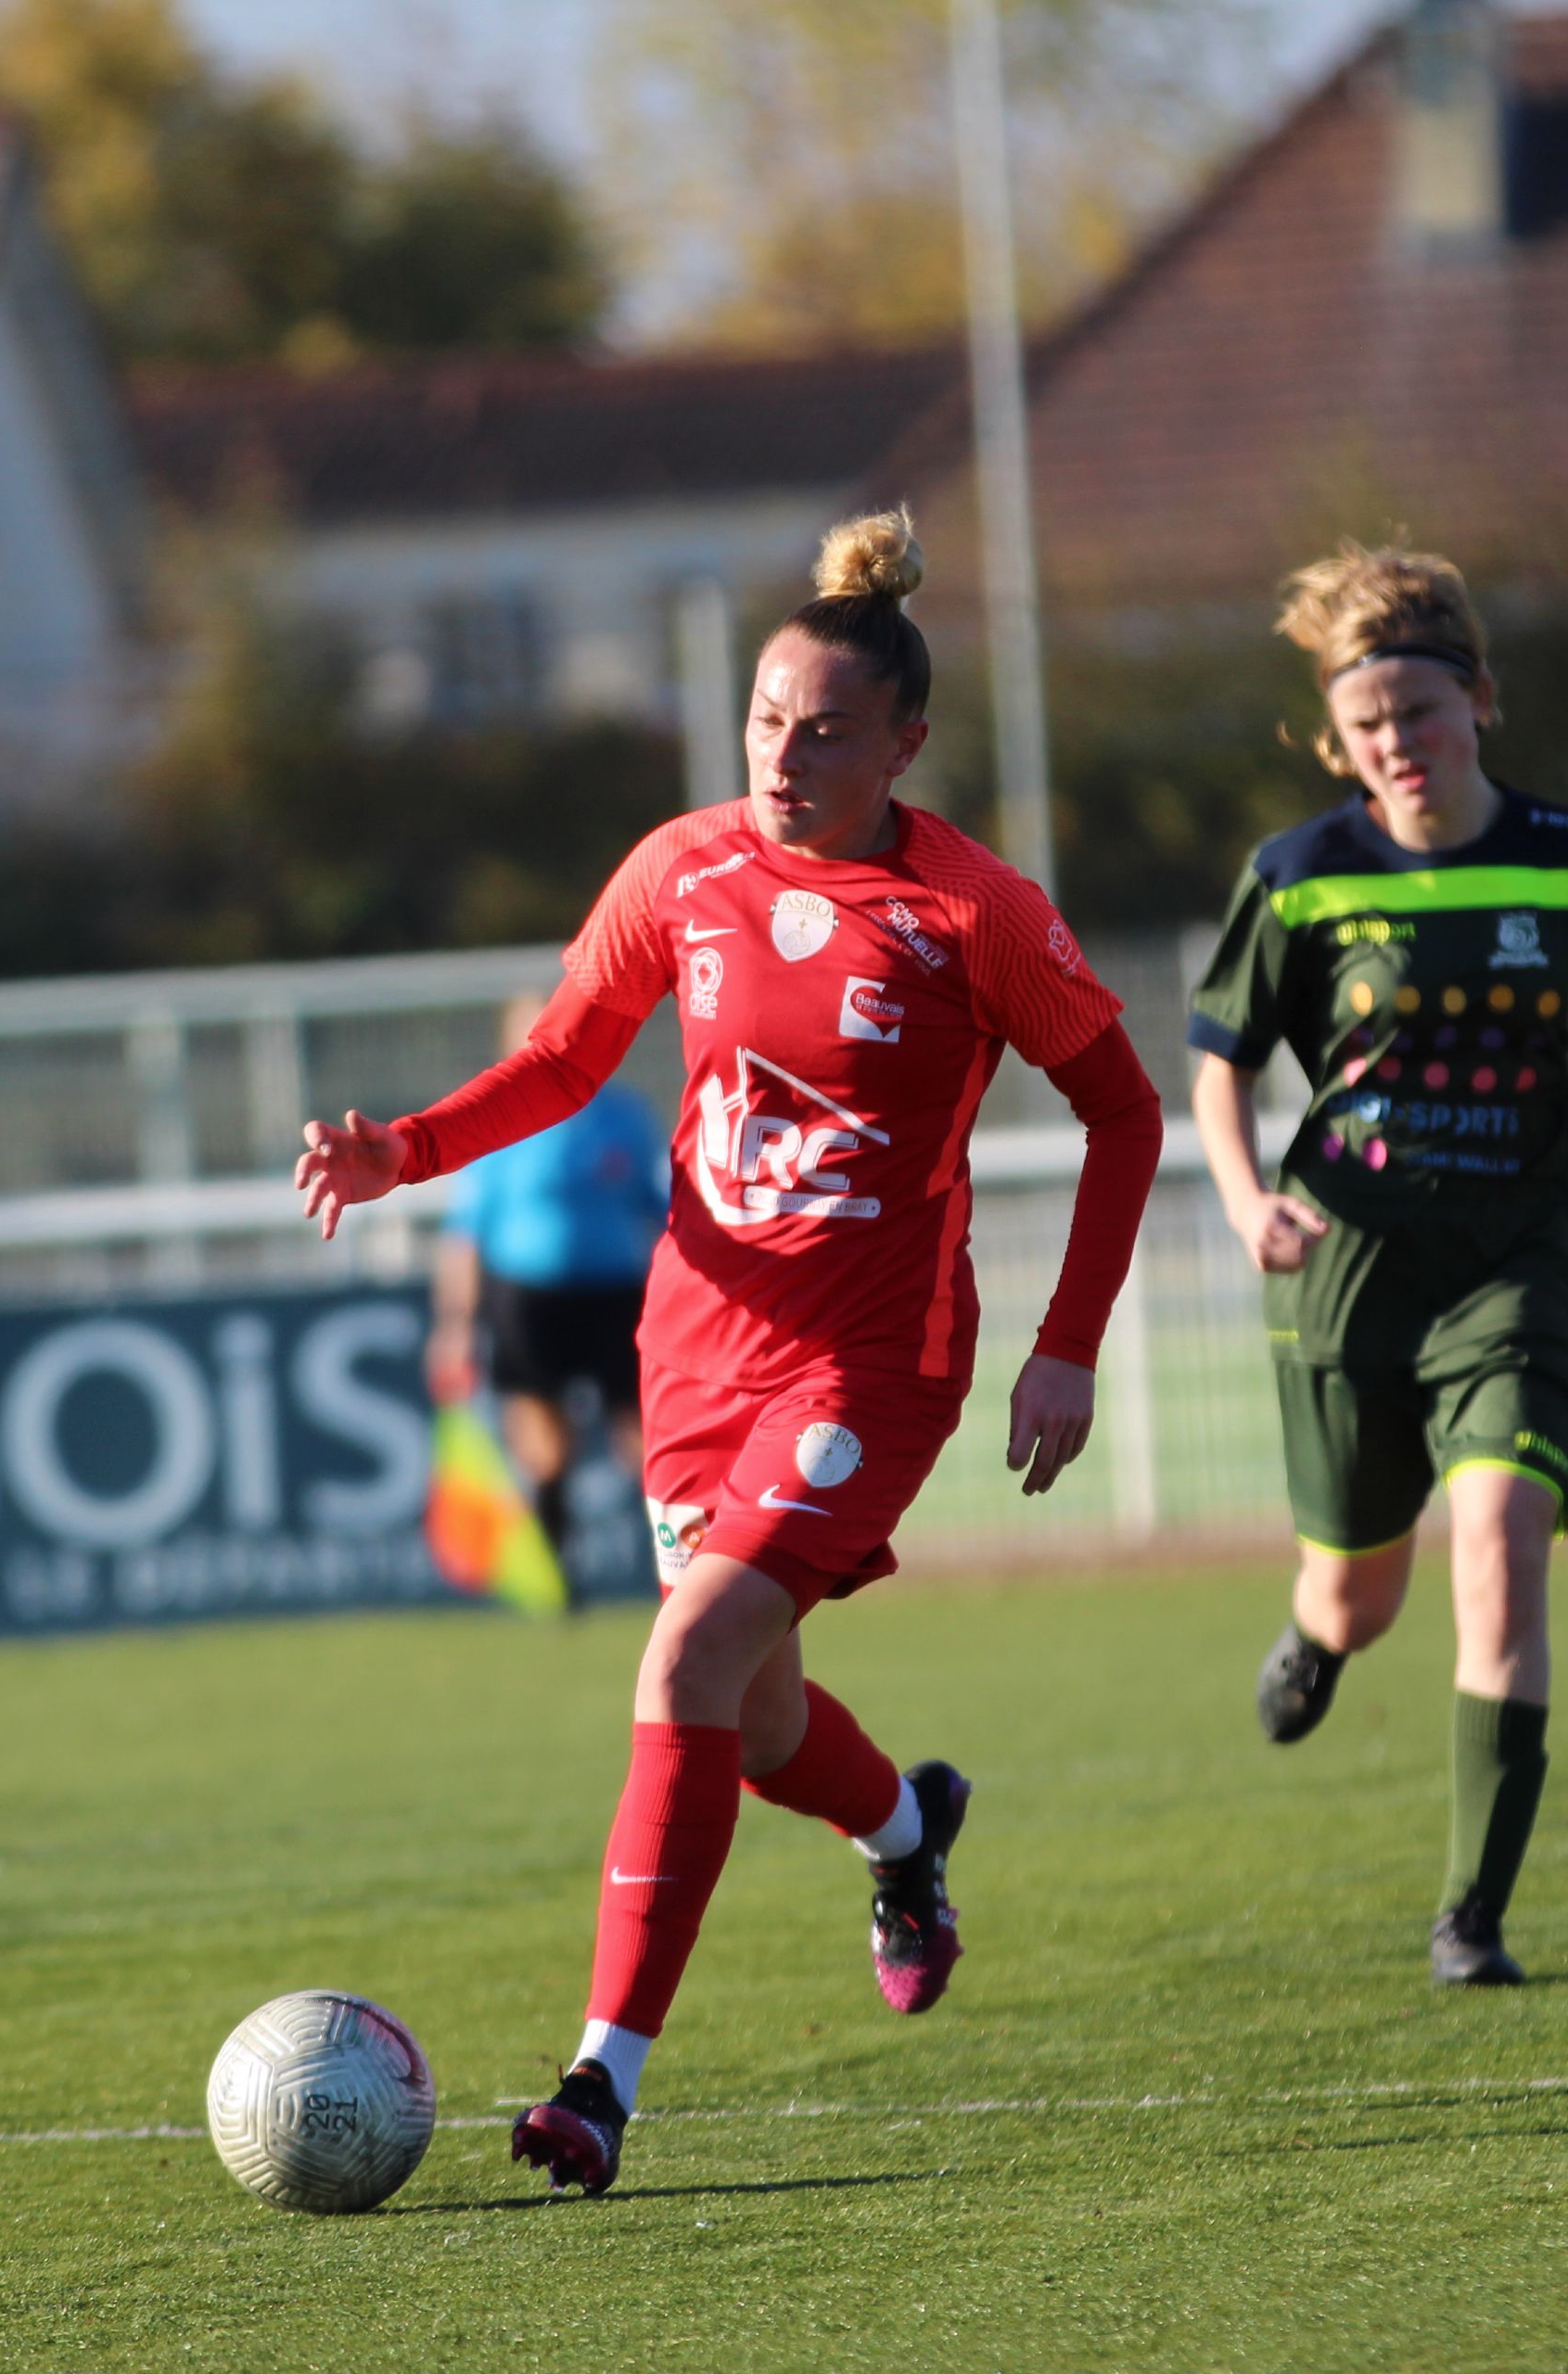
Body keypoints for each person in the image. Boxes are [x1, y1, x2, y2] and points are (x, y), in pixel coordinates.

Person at [298, 509, 1164, 2194]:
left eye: (829, 729)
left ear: (905, 743)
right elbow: (561, 1062)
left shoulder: (972, 911)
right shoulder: (680, 869)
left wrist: (1068, 1345)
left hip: (871, 1362)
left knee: (686, 1667)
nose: (787, 753)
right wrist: (407, 1148)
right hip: (695, 1350)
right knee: (759, 1723)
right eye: (769, 720)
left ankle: (598, 2086)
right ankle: (907, 1839)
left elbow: (1122, 1118)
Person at [1185, 542, 1568, 1989]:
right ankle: (1316, 1639)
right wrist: (1237, 1201)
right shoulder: (1297, 879)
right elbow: (1217, 1070)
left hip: (1518, 1262)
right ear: (1336, 739)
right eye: (1370, 723)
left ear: (1481, 701)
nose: (1399, 743)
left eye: (1423, 709)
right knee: (1361, 1597)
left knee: (1500, 1547)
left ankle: (1472, 1914)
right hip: (1349, 1268)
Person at [427, 995, 669, 1579]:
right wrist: (455, 1325)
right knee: (546, 1439)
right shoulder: (499, 1120)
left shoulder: (624, 1116)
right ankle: (558, 1564)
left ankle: (677, 1567)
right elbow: (465, 1234)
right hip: (529, 1296)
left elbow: (661, 1212)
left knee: (647, 1435)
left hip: (616, 1293)